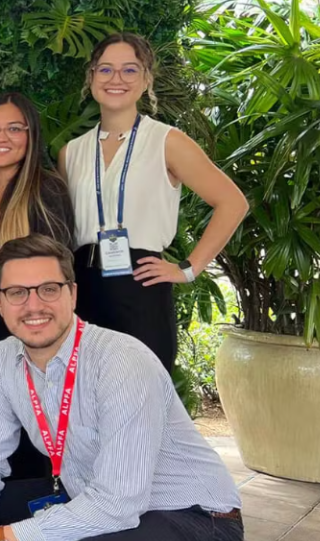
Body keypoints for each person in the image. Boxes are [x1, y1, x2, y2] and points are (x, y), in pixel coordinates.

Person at [0, 234, 243, 541]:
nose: (34, 305)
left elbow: (118, 501)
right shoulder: (2, 360)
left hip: (195, 518)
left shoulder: (121, 361)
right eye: (17, 292)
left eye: (49, 289)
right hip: (87, 496)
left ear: (73, 293)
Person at [57, 33, 247, 372]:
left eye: (130, 70)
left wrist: (188, 269)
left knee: (141, 398)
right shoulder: (71, 152)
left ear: (146, 80)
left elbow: (232, 203)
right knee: (85, 404)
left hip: (140, 285)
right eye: (106, 70)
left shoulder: (167, 141)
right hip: (82, 287)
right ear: (91, 78)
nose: (117, 79)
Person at [0, 92, 73, 412]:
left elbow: (59, 267)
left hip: (24, 329)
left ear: (31, 135)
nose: (1, 137)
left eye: (14, 128)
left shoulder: (46, 190)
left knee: (30, 433)